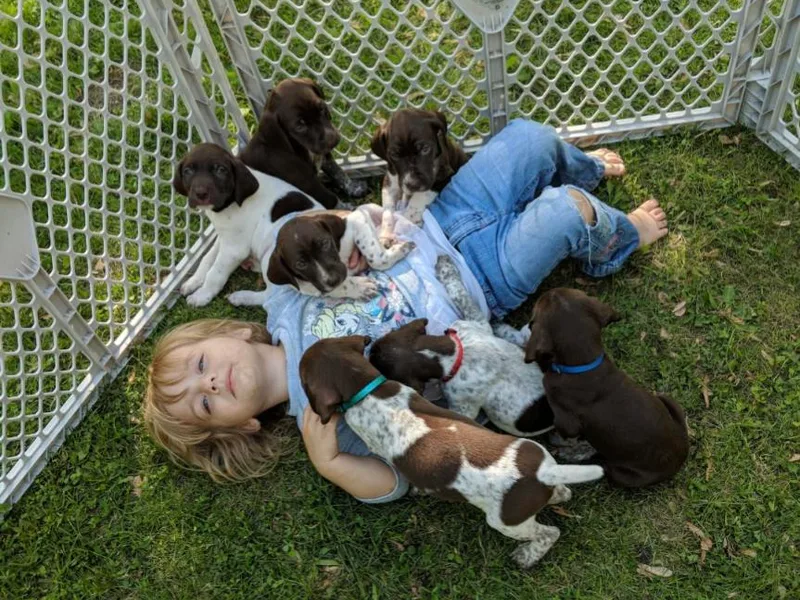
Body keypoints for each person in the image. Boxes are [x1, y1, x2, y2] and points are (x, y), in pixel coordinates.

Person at [143, 120, 668, 503]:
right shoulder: (322, 419)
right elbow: (399, 477)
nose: (210, 385)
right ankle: (618, 239)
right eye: (204, 406)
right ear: (245, 426)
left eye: (200, 365)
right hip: (482, 281)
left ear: (232, 333)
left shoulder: (281, 293)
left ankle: (588, 164)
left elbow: (319, 221)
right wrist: (333, 466)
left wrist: (345, 229)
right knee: (564, 212)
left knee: (529, 140)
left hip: (435, 219)